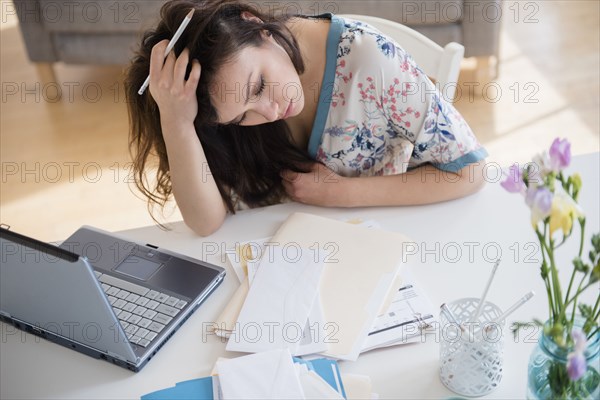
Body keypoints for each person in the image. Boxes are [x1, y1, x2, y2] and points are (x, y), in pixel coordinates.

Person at [125, 0, 488, 236]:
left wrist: (342, 193)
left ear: (256, 26)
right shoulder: (211, 100)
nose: (267, 113)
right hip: (274, 263)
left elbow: (470, 171)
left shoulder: (371, 62)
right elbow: (205, 222)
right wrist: (177, 121)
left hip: (365, 249)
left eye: (259, 86)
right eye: (241, 118)